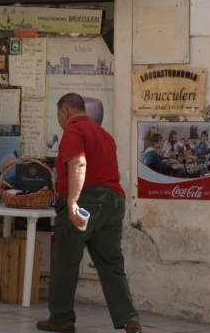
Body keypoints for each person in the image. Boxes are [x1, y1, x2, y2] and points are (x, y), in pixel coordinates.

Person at [37, 93, 141, 333]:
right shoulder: (104, 135)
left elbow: (78, 163)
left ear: (65, 111)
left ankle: (61, 319)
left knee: (65, 262)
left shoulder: (73, 131)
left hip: (85, 199)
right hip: (113, 201)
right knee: (111, 264)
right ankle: (129, 319)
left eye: (59, 116)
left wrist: (72, 202)